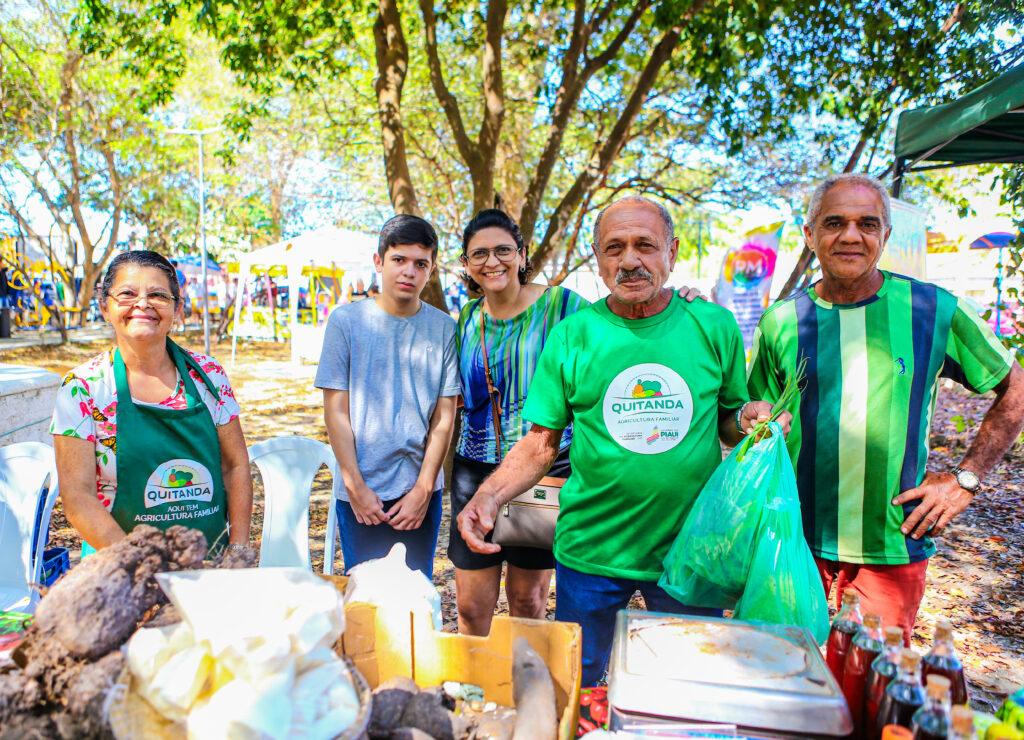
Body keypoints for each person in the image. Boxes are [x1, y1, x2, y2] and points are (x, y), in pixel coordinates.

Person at [458, 196, 788, 685]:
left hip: (687, 554)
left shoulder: (712, 325)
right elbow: (540, 442)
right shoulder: (574, 334)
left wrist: (750, 418)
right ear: (598, 258)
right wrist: (486, 496)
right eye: (615, 248)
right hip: (590, 553)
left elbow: (726, 417)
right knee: (577, 688)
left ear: (671, 253)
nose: (629, 260)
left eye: (644, 245)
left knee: (683, 692)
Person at [748, 173, 1024, 643]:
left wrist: (966, 480)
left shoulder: (932, 310)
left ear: (885, 236)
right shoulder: (781, 322)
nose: (851, 235)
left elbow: (1014, 388)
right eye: (834, 222)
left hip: (892, 548)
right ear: (810, 234)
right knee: (791, 689)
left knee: (870, 693)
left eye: (867, 223)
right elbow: (753, 423)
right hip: (793, 545)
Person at [51, 250, 253, 557]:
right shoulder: (83, 389)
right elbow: (78, 497)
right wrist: (140, 566)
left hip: (208, 567)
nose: (143, 304)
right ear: (105, 306)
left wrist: (238, 549)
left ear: (177, 309)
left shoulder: (209, 376)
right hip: (121, 572)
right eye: (128, 294)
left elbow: (235, 465)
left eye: (158, 295)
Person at [449, 209, 589, 636]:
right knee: (472, 607)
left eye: (503, 250)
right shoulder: (468, 317)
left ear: (522, 253)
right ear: (467, 264)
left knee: (528, 602)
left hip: (542, 469)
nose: (492, 262)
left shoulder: (563, 306)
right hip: (474, 470)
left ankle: (523, 692)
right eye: (480, 254)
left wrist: (682, 296)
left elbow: (620, 328)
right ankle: (474, 689)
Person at [316, 215, 459, 578]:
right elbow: (336, 412)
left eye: (420, 263)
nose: (409, 272)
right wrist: (355, 485)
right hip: (360, 492)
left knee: (414, 595)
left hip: (419, 493)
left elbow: (444, 418)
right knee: (364, 598)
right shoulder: (345, 323)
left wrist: (424, 490)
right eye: (399, 260)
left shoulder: (444, 328)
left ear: (431, 270)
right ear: (379, 261)